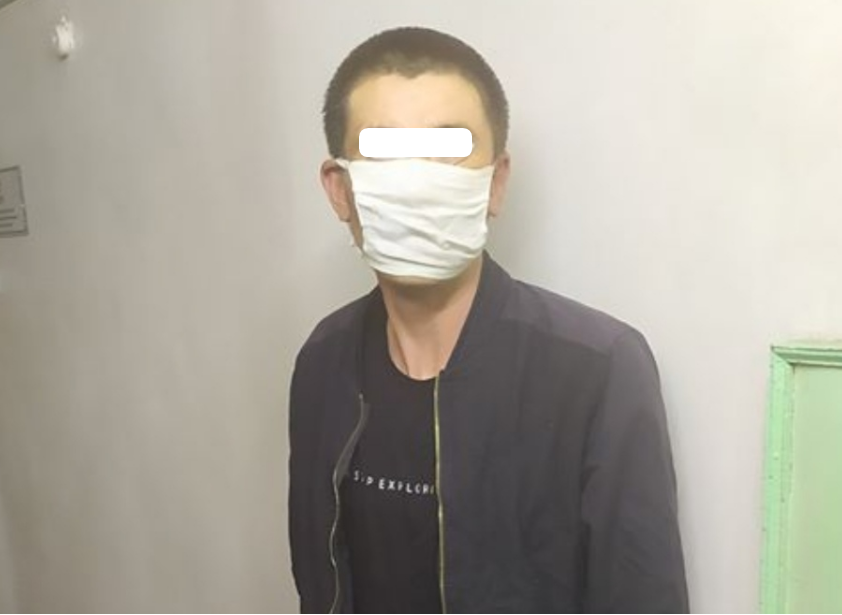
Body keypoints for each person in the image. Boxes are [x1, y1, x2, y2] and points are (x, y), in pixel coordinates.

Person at [288, 26, 688, 614]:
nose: (417, 183)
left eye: (446, 151)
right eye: (386, 154)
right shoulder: (324, 360)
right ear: (340, 190)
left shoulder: (596, 370)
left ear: (495, 183)